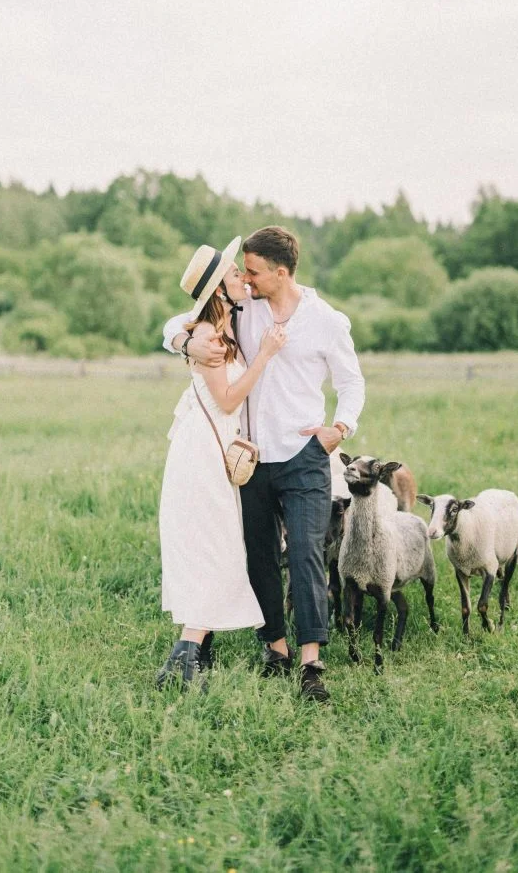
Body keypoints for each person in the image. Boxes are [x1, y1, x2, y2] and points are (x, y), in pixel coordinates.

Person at [164, 226, 365, 702]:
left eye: (253, 271)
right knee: (260, 556)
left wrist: (340, 428)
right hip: (250, 458)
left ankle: (311, 662)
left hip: (303, 455)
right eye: (243, 272)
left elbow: (351, 382)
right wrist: (184, 343)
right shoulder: (244, 307)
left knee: (306, 553)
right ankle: (276, 649)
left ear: (281, 272)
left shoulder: (326, 320)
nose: (247, 279)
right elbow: (182, 318)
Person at [156, 236, 286, 689]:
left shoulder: (225, 325)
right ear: (218, 289)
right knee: (216, 547)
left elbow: (175, 325)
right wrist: (264, 357)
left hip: (216, 449)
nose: (242, 278)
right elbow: (228, 399)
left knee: (217, 546)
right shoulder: (208, 336)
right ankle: (184, 661)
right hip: (202, 453)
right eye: (233, 273)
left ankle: (185, 659)